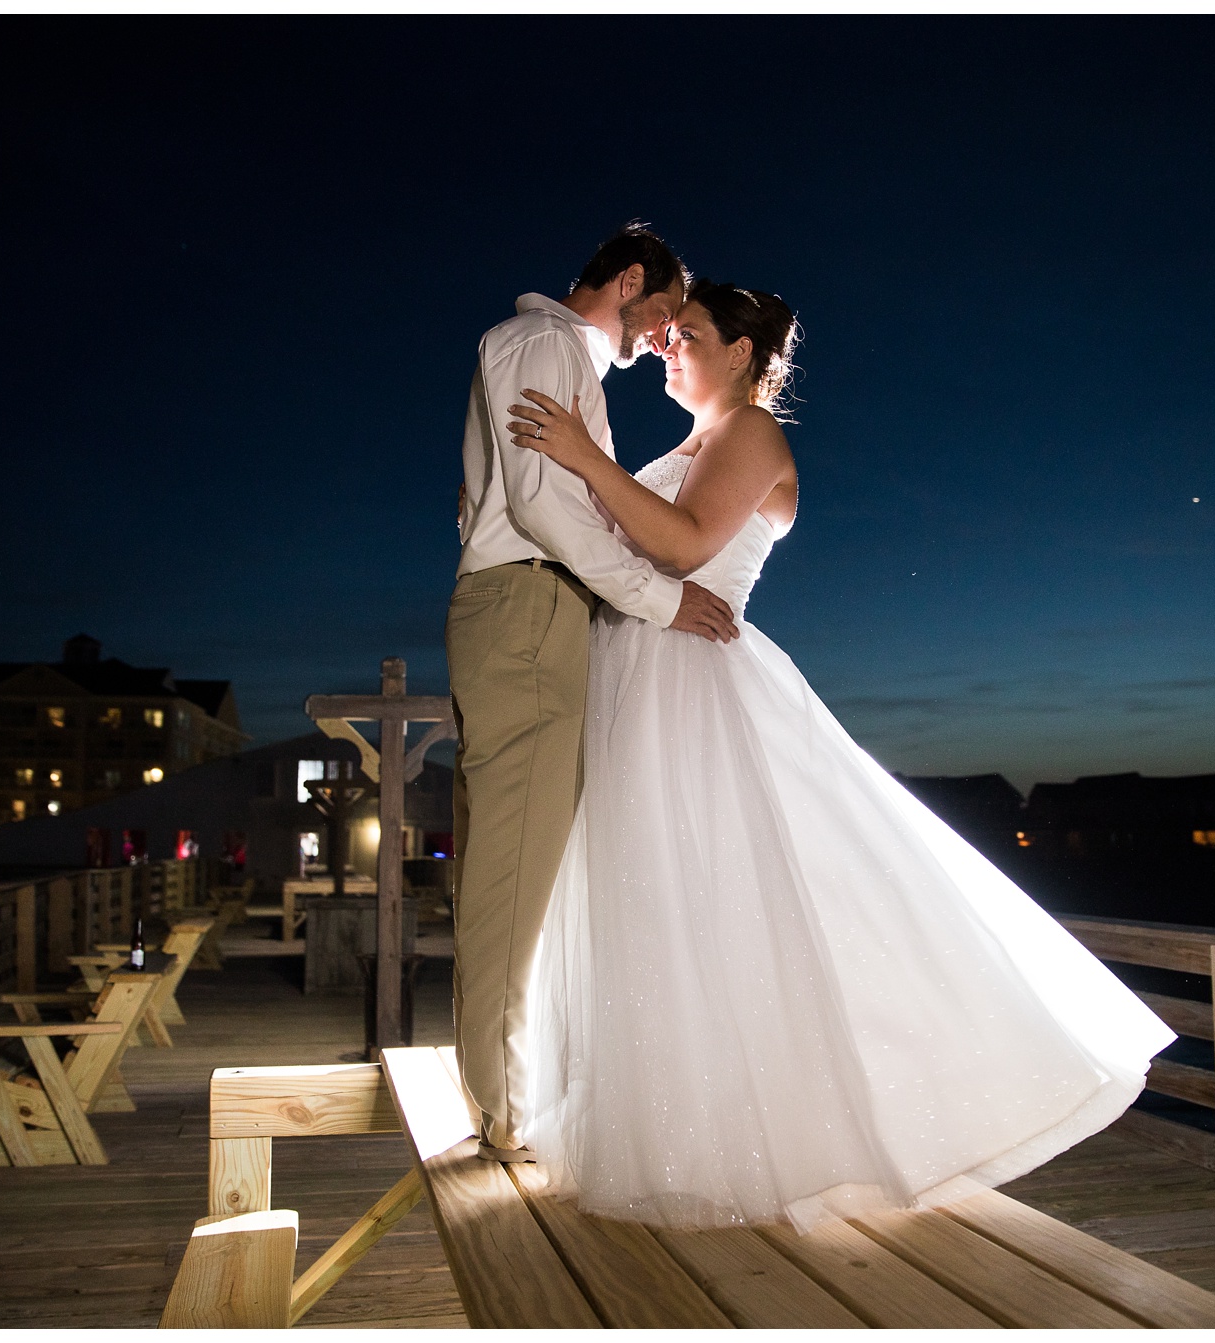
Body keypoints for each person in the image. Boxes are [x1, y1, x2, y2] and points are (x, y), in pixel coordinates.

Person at [503, 281, 1177, 1231]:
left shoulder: (753, 435)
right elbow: (616, 544)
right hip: (634, 668)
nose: (666, 346)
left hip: (693, 682)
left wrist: (579, 455)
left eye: (687, 334)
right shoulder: (687, 445)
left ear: (740, 354)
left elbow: (687, 544)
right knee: (654, 902)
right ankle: (663, 1126)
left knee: (718, 898)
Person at [446, 224, 739, 1164]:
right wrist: (660, 598)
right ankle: (502, 1113)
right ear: (627, 279)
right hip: (529, 604)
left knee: (513, 858)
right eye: (662, 313)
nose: (663, 336)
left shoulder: (548, 355)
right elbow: (539, 504)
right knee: (514, 868)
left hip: (533, 611)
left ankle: (498, 1091)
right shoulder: (543, 344)